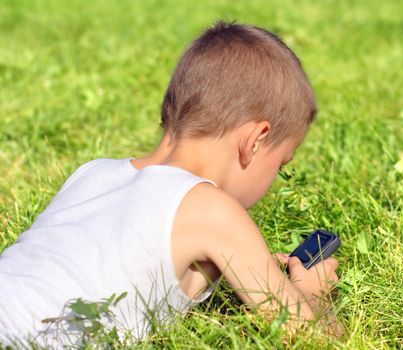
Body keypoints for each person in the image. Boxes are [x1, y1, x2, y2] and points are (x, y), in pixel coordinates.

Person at [0, 21, 341, 347]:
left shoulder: (92, 172)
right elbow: (312, 338)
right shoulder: (212, 209)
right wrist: (314, 294)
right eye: (280, 165)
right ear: (255, 140)